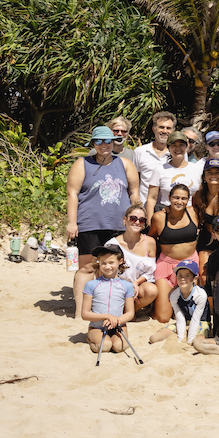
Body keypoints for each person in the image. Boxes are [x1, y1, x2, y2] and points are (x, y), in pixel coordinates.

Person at [66, 125, 140, 322]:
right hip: (89, 223)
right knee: (88, 268)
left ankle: (113, 308)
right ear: (93, 144)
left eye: (108, 141)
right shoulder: (82, 164)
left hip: (118, 225)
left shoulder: (125, 164)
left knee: (116, 267)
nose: (104, 145)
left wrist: (138, 218)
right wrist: (72, 222)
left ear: (114, 142)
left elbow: (134, 192)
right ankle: (80, 310)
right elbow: (72, 194)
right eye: (99, 141)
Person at [148, 183, 201, 324]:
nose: (179, 201)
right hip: (167, 265)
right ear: (169, 198)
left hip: (190, 265)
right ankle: (157, 305)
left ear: (188, 199)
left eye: (184, 198)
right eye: (176, 197)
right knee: (163, 318)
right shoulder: (159, 217)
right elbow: (150, 238)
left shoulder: (194, 213)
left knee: (188, 315)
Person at [81, 246, 135, 354]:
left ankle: (110, 338)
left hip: (118, 327)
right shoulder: (91, 284)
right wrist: (107, 316)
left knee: (119, 347)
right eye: (103, 263)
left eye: (111, 262)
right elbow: (85, 314)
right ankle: (91, 338)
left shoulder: (127, 285)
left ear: (120, 261)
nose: (107, 266)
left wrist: (117, 321)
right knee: (105, 346)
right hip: (97, 327)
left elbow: (130, 313)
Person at [144, 131, 202, 220]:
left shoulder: (197, 169)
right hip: (166, 217)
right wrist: (149, 221)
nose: (178, 148)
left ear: (186, 147)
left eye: (181, 145)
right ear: (168, 148)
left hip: (191, 218)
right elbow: (152, 198)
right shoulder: (160, 170)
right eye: (174, 145)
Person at [110, 205, 158, 312]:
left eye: (141, 220)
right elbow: (105, 272)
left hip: (138, 285)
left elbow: (151, 271)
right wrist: (126, 287)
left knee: (151, 290)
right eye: (133, 218)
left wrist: (135, 283)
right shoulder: (112, 244)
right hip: (117, 286)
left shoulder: (150, 242)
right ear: (125, 220)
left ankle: (131, 311)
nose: (137, 222)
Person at [148, 261, 207, 344]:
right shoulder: (174, 295)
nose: (183, 278)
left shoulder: (200, 294)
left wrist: (189, 340)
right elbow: (180, 318)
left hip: (201, 322)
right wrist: (180, 339)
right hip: (185, 321)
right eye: (180, 275)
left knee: (198, 342)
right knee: (154, 338)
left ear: (195, 278)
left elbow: (196, 319)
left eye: (187, 275)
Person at [133, 111, 175, 209]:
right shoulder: (140, 151)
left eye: (168, 128)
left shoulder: (178, 154)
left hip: (169, 208)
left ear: (173, 131)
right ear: (154, 129)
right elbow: (135, 181)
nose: (165, 131)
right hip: (144, 207)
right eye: (161, 127)